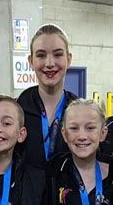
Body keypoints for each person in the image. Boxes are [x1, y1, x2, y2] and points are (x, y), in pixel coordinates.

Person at [17, 24, 78, 168]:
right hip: (26, 190)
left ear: (68, 59)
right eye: (41, 55)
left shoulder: (80, 112)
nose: (50, 63)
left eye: (57, 54)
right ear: (31, 61)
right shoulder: (17, 110)